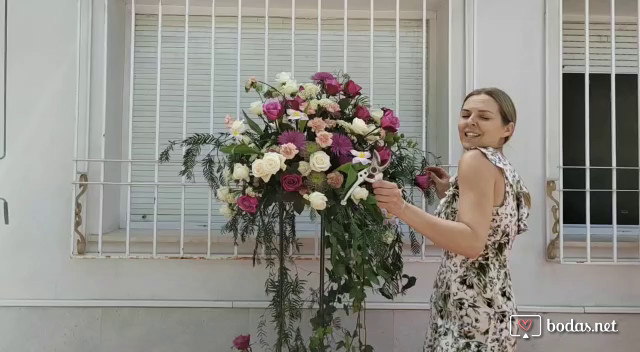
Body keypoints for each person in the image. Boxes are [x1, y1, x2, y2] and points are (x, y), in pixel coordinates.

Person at [373, 87, 531, 351]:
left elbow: (471, 242)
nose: (471, 122)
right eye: (466, 114)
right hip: (493, 300)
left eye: (484, 116)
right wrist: (452, 193)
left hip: (470, 307)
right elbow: (496, 224)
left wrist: (401, 207)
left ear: (507, 129)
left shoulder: (476, 160)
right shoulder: (503, 166)